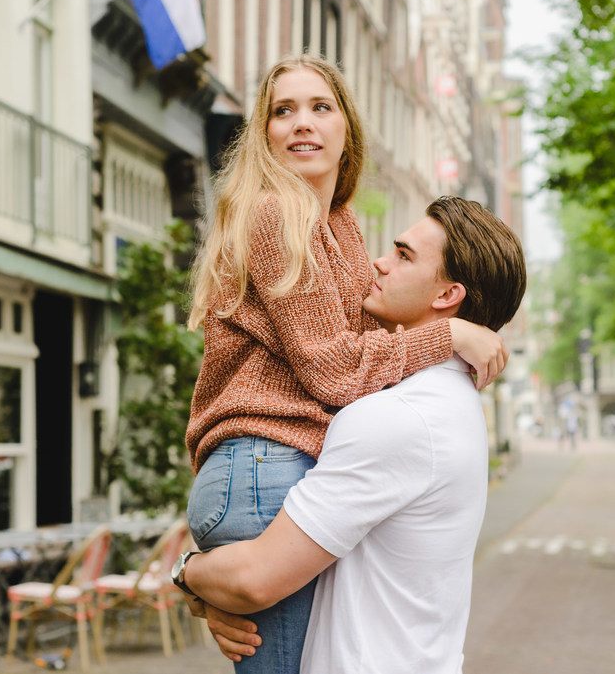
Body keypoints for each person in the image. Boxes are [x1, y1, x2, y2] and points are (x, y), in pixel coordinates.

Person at [184, 55, 508, 673]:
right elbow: (335, 371)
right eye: (283, 111)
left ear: (347, 132)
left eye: (319, 107)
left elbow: (369, 351)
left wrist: (200, 583)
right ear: (264, 134)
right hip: (264, 460)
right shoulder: (276, 213)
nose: (301, 123)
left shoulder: (340, 227)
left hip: (282, 464)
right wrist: (450, 337)